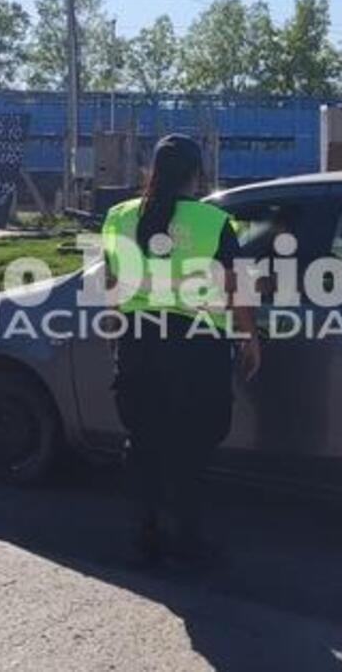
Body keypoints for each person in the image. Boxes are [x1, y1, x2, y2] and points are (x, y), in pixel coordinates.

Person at [101, 134, 261, 567]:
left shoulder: (118, 217)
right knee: (192, 447)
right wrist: (250, 337)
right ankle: (188, 541)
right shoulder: (212, 222)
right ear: (197, 173)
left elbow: (113, 284)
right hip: (196, 350)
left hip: (138, 344)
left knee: (143, 442)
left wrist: (117, 332)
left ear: (153, 171)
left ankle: (145, 535)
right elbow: (236, 287)